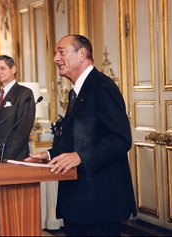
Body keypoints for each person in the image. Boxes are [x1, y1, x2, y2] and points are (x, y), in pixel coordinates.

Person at [25, 35, 137, 236]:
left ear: (82, 53)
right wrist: (50, 155)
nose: (56, 59)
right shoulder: (76, 91)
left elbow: (121, 139)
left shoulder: (103, 87)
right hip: (78, 202)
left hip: (100, 202)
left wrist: (80, 157)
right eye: (55, 53)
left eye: (62, 52)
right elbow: (78, 139)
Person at [0, 55, 36, 231]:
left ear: (13, 69)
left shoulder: (25, 93)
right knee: (3, 207)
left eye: (2, 68)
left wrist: (4, 156)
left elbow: (23, 130)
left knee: (18, 208)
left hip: (14, 159)